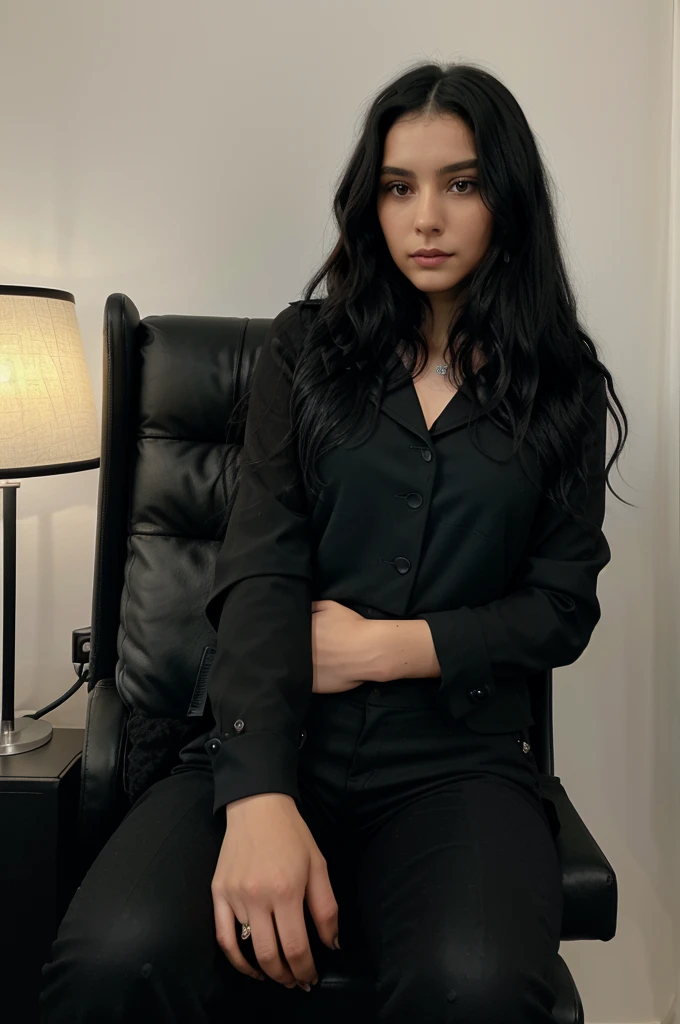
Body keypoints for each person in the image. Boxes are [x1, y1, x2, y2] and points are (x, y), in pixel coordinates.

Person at [40, 60, 630, 1023]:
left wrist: (385, 647)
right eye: (399, 187)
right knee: (116, 960)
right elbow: (262, 563)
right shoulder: (304, 351)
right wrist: (260, 797)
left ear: (508, 196)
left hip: (459, 761)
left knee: (475, 990)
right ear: (372, 202)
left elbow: (559, 607)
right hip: (271, 735)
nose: (425, 218)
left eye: (462, 183)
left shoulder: (562, 386)